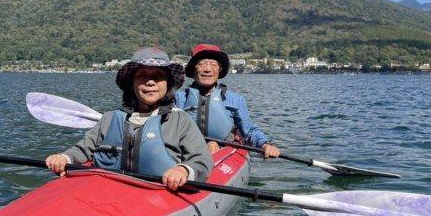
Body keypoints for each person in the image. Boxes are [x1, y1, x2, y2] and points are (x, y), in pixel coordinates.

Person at [45, 47, 213, 191]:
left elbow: (201, 161)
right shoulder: (110, 118)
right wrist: (64, 158)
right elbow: (82, 150)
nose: (150, 82)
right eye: (142, 75)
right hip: (108, 191)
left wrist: (183, 170)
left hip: (157, 193)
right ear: (131, 83)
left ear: (168, 84)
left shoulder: (180, 121)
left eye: (158, 75)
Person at [175, 44, 281, 158]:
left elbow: (249, 131)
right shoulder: (178, 98)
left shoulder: (235, 99)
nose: (207, 69)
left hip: (222, 151)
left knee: (212, 145)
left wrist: (265, 145)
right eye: (202, 63)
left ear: (219, 69)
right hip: (187, 150)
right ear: (193, 68)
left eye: (213, 64)